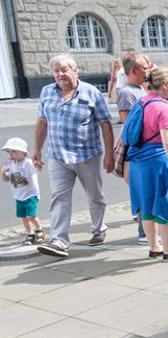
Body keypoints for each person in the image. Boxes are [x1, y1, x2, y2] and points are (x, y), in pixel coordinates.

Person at [34, 54, 114, 258]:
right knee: (59, 197)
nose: (60, 74)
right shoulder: (47, 92)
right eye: (56, 70)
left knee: (95, 195)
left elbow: (105, 123)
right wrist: (36, 150)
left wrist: (109, 155)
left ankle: (98, 228)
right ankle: (59, 240)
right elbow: (42, 122)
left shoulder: (91, 92)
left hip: (87, 155)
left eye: (64, 69)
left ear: (74, 70)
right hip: (58, 156)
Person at [126, 67, 168, 260]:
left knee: (146, 205)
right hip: (158, 162)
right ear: (166, 84)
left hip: (138, 162)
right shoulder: (163, 107)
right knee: (164, 202)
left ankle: (154, 246)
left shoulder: (141, 102)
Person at [117, 51, 151, 245]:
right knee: (142, 192)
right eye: (144, 68)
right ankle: (143, 233)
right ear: (133, 70)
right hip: (137, 150)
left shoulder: (141, 89)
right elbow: (128, 124)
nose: (147, 71)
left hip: (146, 149)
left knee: (148, 191)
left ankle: (148, 230)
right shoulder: (126, 92)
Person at [2, 137, 45, 245]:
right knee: (23, 217)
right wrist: (2, 172)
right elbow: (6, 179)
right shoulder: (9, 163)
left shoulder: (28, 163)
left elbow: (37, 168)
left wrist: (38, 164)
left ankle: (39, 230)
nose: (11, 154)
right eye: (9, 152)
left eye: (14, 151)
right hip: (18, 195)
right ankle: (30, 234)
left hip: (31, 194)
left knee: (31, 216)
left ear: (23, 152)